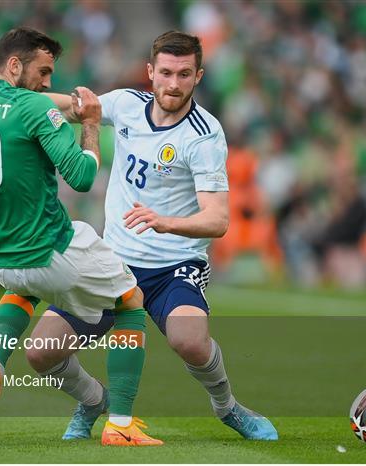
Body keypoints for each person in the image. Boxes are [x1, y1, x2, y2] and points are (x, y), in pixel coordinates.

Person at [27, 30, 278, 441]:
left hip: (174, 264)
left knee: (190, 341)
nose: (173, 83)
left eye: (183, 74)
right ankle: (92, 400)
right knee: (40, 352)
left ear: (198, 76)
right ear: (151, 72)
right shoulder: (126, 104)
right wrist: (16, 101)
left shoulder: (205, 135)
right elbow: (75, 108)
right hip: (114, 261)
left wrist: (166, 222)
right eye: (165, 72)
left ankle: (229, 408)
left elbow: (218, 220)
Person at [0, 27, 162, 446]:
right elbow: (79, 176)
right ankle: (122, 424)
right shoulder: (34, 111)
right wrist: (92, 126)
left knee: (24, 289)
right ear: (14, 65)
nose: (47, 82)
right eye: (43, 72)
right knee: (131, 300)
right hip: (50, 251)